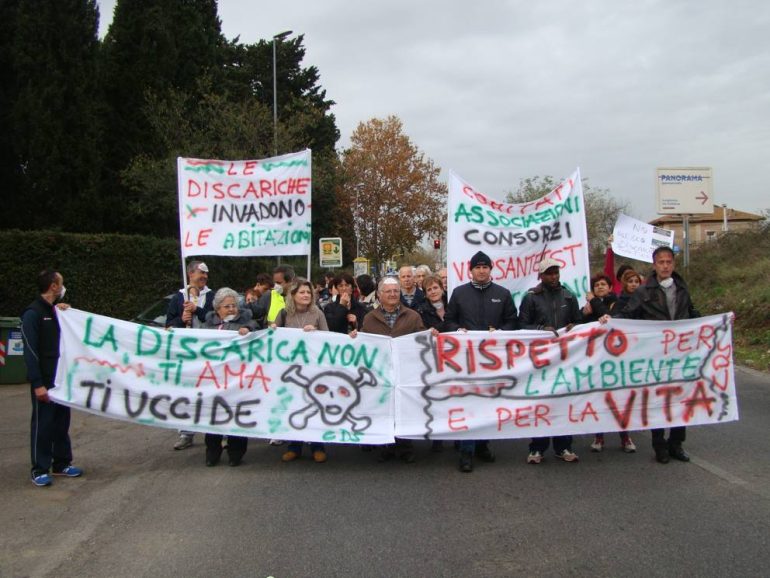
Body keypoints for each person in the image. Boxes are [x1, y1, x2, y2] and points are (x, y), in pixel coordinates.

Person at [602, 246, 700, 464]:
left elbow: (693, 313)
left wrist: (715, 324)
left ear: (673, 264)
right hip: (655, 356)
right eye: (661, 262)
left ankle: (677, 444)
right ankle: (660, 446)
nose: (665, 266)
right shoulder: (643, 292)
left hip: (679, 355)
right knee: (658, 400)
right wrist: (610, 319)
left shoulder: (682, 288)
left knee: (680, 399)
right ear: (654, 265)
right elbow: (625, 314)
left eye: (668, 262)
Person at [444, 251, 519, 472]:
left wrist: (500, 331)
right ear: (471, 270)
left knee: (487, 404)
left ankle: (482, 444)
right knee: (469, 404)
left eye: (485, 267)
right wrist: (458, 330)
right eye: (478, 267)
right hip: (466, 359)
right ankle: (467, 451)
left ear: (491, 269)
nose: (482, 271)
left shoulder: (503, 294)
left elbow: (512, 322)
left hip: (492, 361)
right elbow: (449, 321)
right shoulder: (459, 294)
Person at [21, 269, 83, 487]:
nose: (63, 287)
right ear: (53, 286)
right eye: (61, 283)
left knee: (61, 423)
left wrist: (64, 312)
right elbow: (30, 351)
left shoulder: (57, 311)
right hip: (45, 380)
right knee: (43, 424)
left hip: (61, 377)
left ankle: (62, 463)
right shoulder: (32, 313)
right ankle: (39, 468)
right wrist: (37, 383)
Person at [519, 258, 582, 465]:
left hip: (565, 359)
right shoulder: (531, 298)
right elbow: (521, 326)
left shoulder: (569, 296)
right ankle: (537, 447)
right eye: (549, 273)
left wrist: (574, 327)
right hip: (541, 360)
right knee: (541, 403)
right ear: (541, 275)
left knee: (564, 402)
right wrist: (540, 330)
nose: (553, 276)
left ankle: (564, 446)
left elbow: (579, 323)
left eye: (556, 272)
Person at [361, 277, 425, 463]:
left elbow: (421, 340)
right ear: (379, 295)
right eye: (388, 291)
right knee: (384, 408)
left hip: (405, 371)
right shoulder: (369, 318)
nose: (392, 294)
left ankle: (405, 446)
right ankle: (386, 445)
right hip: (381, 372)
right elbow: (364, 343)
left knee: (404, 408)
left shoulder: (413, 316)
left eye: (396, 291)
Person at [273, 279, 331, 463]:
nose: (306, 295)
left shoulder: (317, 313)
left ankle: (317, 445)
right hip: (290, 369)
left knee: (314, 406)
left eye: (308, 292)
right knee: (293, 406)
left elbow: (328, 339)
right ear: (292, 295)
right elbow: (273, 340)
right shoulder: (283, 314)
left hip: (313, 369)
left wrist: (315, 333)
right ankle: (294, 445)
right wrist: (273, 330)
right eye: (302, 292)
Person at [201, 288, 259, 466]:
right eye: (227, 306)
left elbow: (257, 327)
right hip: (214, 380)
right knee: (213, 416)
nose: (232, 309)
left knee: (237, 414)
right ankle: (213, 451)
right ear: (217, 308)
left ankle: (236, 453)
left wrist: (247, 328)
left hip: (237, 380)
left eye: (234, 305)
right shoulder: (207, 325)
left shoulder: (246, 321)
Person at [582, 273, 636, 453]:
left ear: (610, 287)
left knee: (619, 400)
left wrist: (594, 302)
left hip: (615, 360)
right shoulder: (589, 306)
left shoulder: (619, 302)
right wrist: (583, 314)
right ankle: (599, 437)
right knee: (599, 399)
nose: (600, 287)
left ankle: (625, 437)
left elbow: (608, 317)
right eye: (596, 285)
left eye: (603, 284)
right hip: (596, 360)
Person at [167, 260, 215, 450]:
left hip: (208, 352)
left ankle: (217, 431)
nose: (203, 277)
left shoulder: (212, 296)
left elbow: (215, 318)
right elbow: (169, 324)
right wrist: (181, 319)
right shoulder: (178, 298)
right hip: (185, 354)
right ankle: (186, 432)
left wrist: (198, 311)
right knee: (186, 393)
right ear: (190, 274)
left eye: (205, 274)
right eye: (200, 273)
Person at [417, 274, 449, 452]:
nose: (433, 292)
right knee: (437, 396)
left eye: (435, 287)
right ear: (426, 294)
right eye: (429, 290)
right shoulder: (421, 310)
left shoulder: (453, 305)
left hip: (454, 357)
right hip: (434, 358)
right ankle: (437, 436)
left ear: (442, 289)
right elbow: (420, 331)